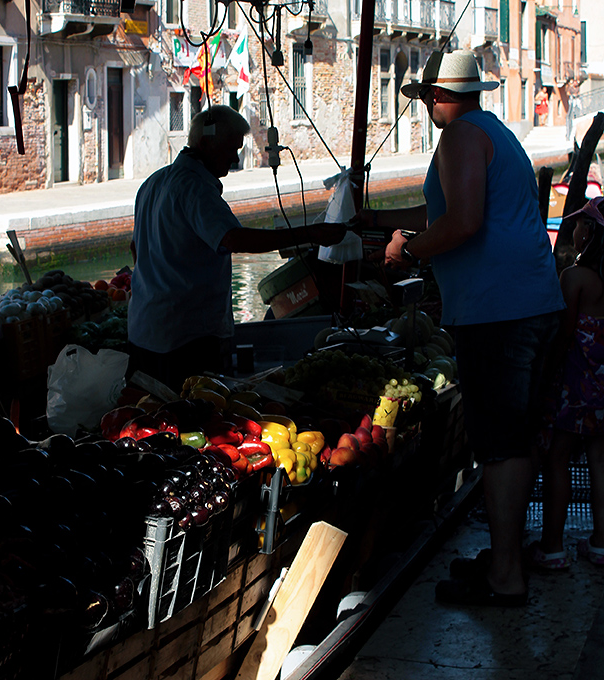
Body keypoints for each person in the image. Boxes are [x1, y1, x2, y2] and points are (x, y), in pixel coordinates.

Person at [364, 50, 565, 606]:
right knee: (514, 438)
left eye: (428, 95)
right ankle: (506, 555)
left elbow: (463, 223)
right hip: (531, 303)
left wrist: (409, 254)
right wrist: (383, 222)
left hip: (497, 311)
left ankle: (505, 577)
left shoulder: (457, 138)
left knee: (499, 445)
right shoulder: (491, 130)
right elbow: (453, 211)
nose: (426, 103)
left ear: (436, 95)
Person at [127, 105, 346, 392]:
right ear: (205, 145)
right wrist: (310, 234)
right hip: (184, 338)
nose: (234, 159)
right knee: (195, 420)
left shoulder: (154, 182)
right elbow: (235, 239)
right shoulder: (196, 189)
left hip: (144, 330)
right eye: (231, 149)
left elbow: (135, 248)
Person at [530, 197, 604, 568]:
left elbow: (563, 333)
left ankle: (553, 546)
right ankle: (602, 543)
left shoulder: (574, 278)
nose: (574, 229)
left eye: (578, 224)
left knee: (557, 457)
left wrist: (545, 376)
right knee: (600, 458)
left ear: (588, 232)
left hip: (575, 386)